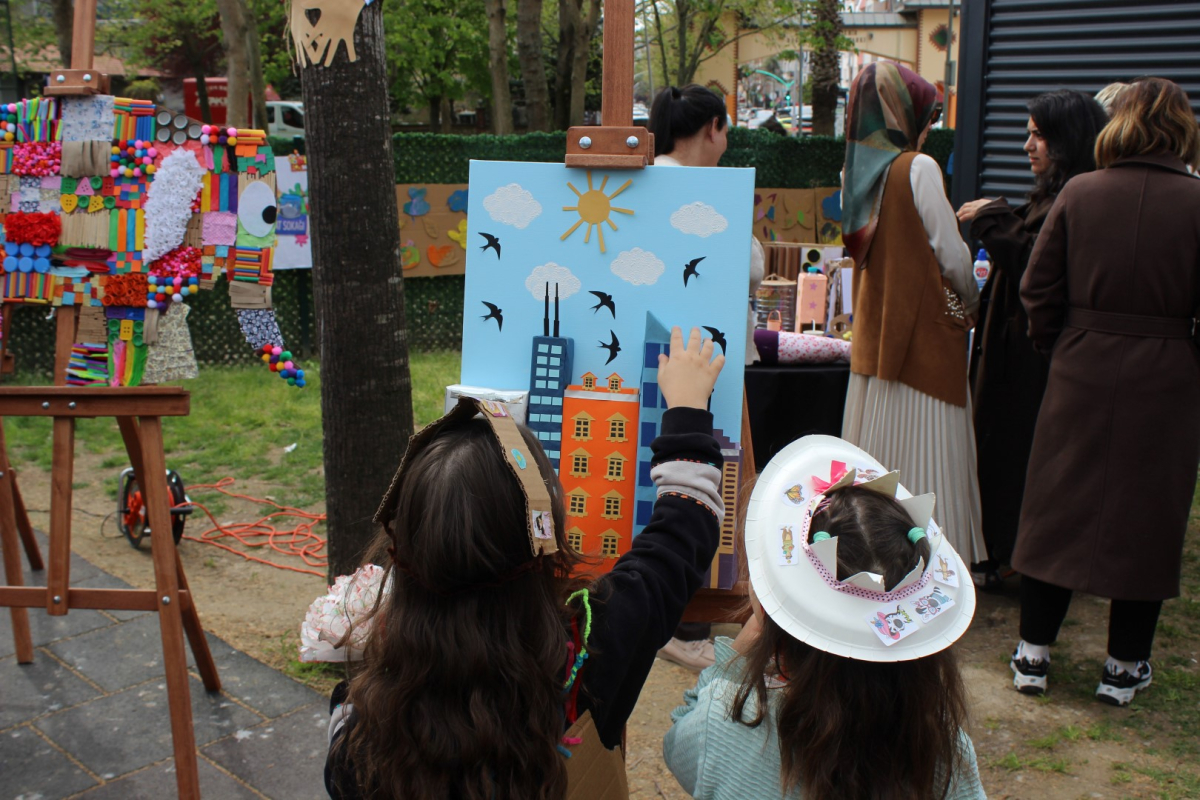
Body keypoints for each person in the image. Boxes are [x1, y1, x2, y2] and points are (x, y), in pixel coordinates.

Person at [322, 327, 726, 798]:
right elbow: (684, 530)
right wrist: (687, 412)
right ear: (543, 537)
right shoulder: (593, 649)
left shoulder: (357, 739)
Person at [1011, 77, 1200, 706]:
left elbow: (1036, 289)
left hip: (1079, 367)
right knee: (1148, 516)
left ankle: (1032, 654)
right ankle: (1122, 668)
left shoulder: (1082, 192)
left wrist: (1058, 347)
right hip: (1168, 375)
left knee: (1055, 505)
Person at [663, 436, 985, 799]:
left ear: (770, 609)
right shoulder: (941, 749)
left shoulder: (723, 725)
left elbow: (680, 740)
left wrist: (731, 665)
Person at [956, 91, 1109, 584]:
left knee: (1021, 456)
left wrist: (993, 218)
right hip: (1009, 357)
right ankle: (999, 552)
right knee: (999, 451)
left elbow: (1036, 266)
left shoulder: (1084, 198)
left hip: (1038, 362)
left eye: (1039, 135)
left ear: (1069, 140)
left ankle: (1019, 560)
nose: (1028, 146)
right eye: (1028, 133)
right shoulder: (1052, 195)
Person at [838, 61, 986, 571]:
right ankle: (937, 562)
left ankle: (871, 555)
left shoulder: (856, 177)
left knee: (875, 456)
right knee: (928, 457)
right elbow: (953, 257)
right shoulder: (917, 167)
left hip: (874, 344)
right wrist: (970, 302)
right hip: (923, 343)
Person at [649, 84, 765, 671]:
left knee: (682, 475)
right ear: (713, 128)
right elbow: (752, 265)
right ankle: (690, 612)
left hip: (672, 361)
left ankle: (688, 609)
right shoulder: (706, 190)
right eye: (727, 128)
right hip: (706, 363)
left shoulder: (649, 177)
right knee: (708, 476)